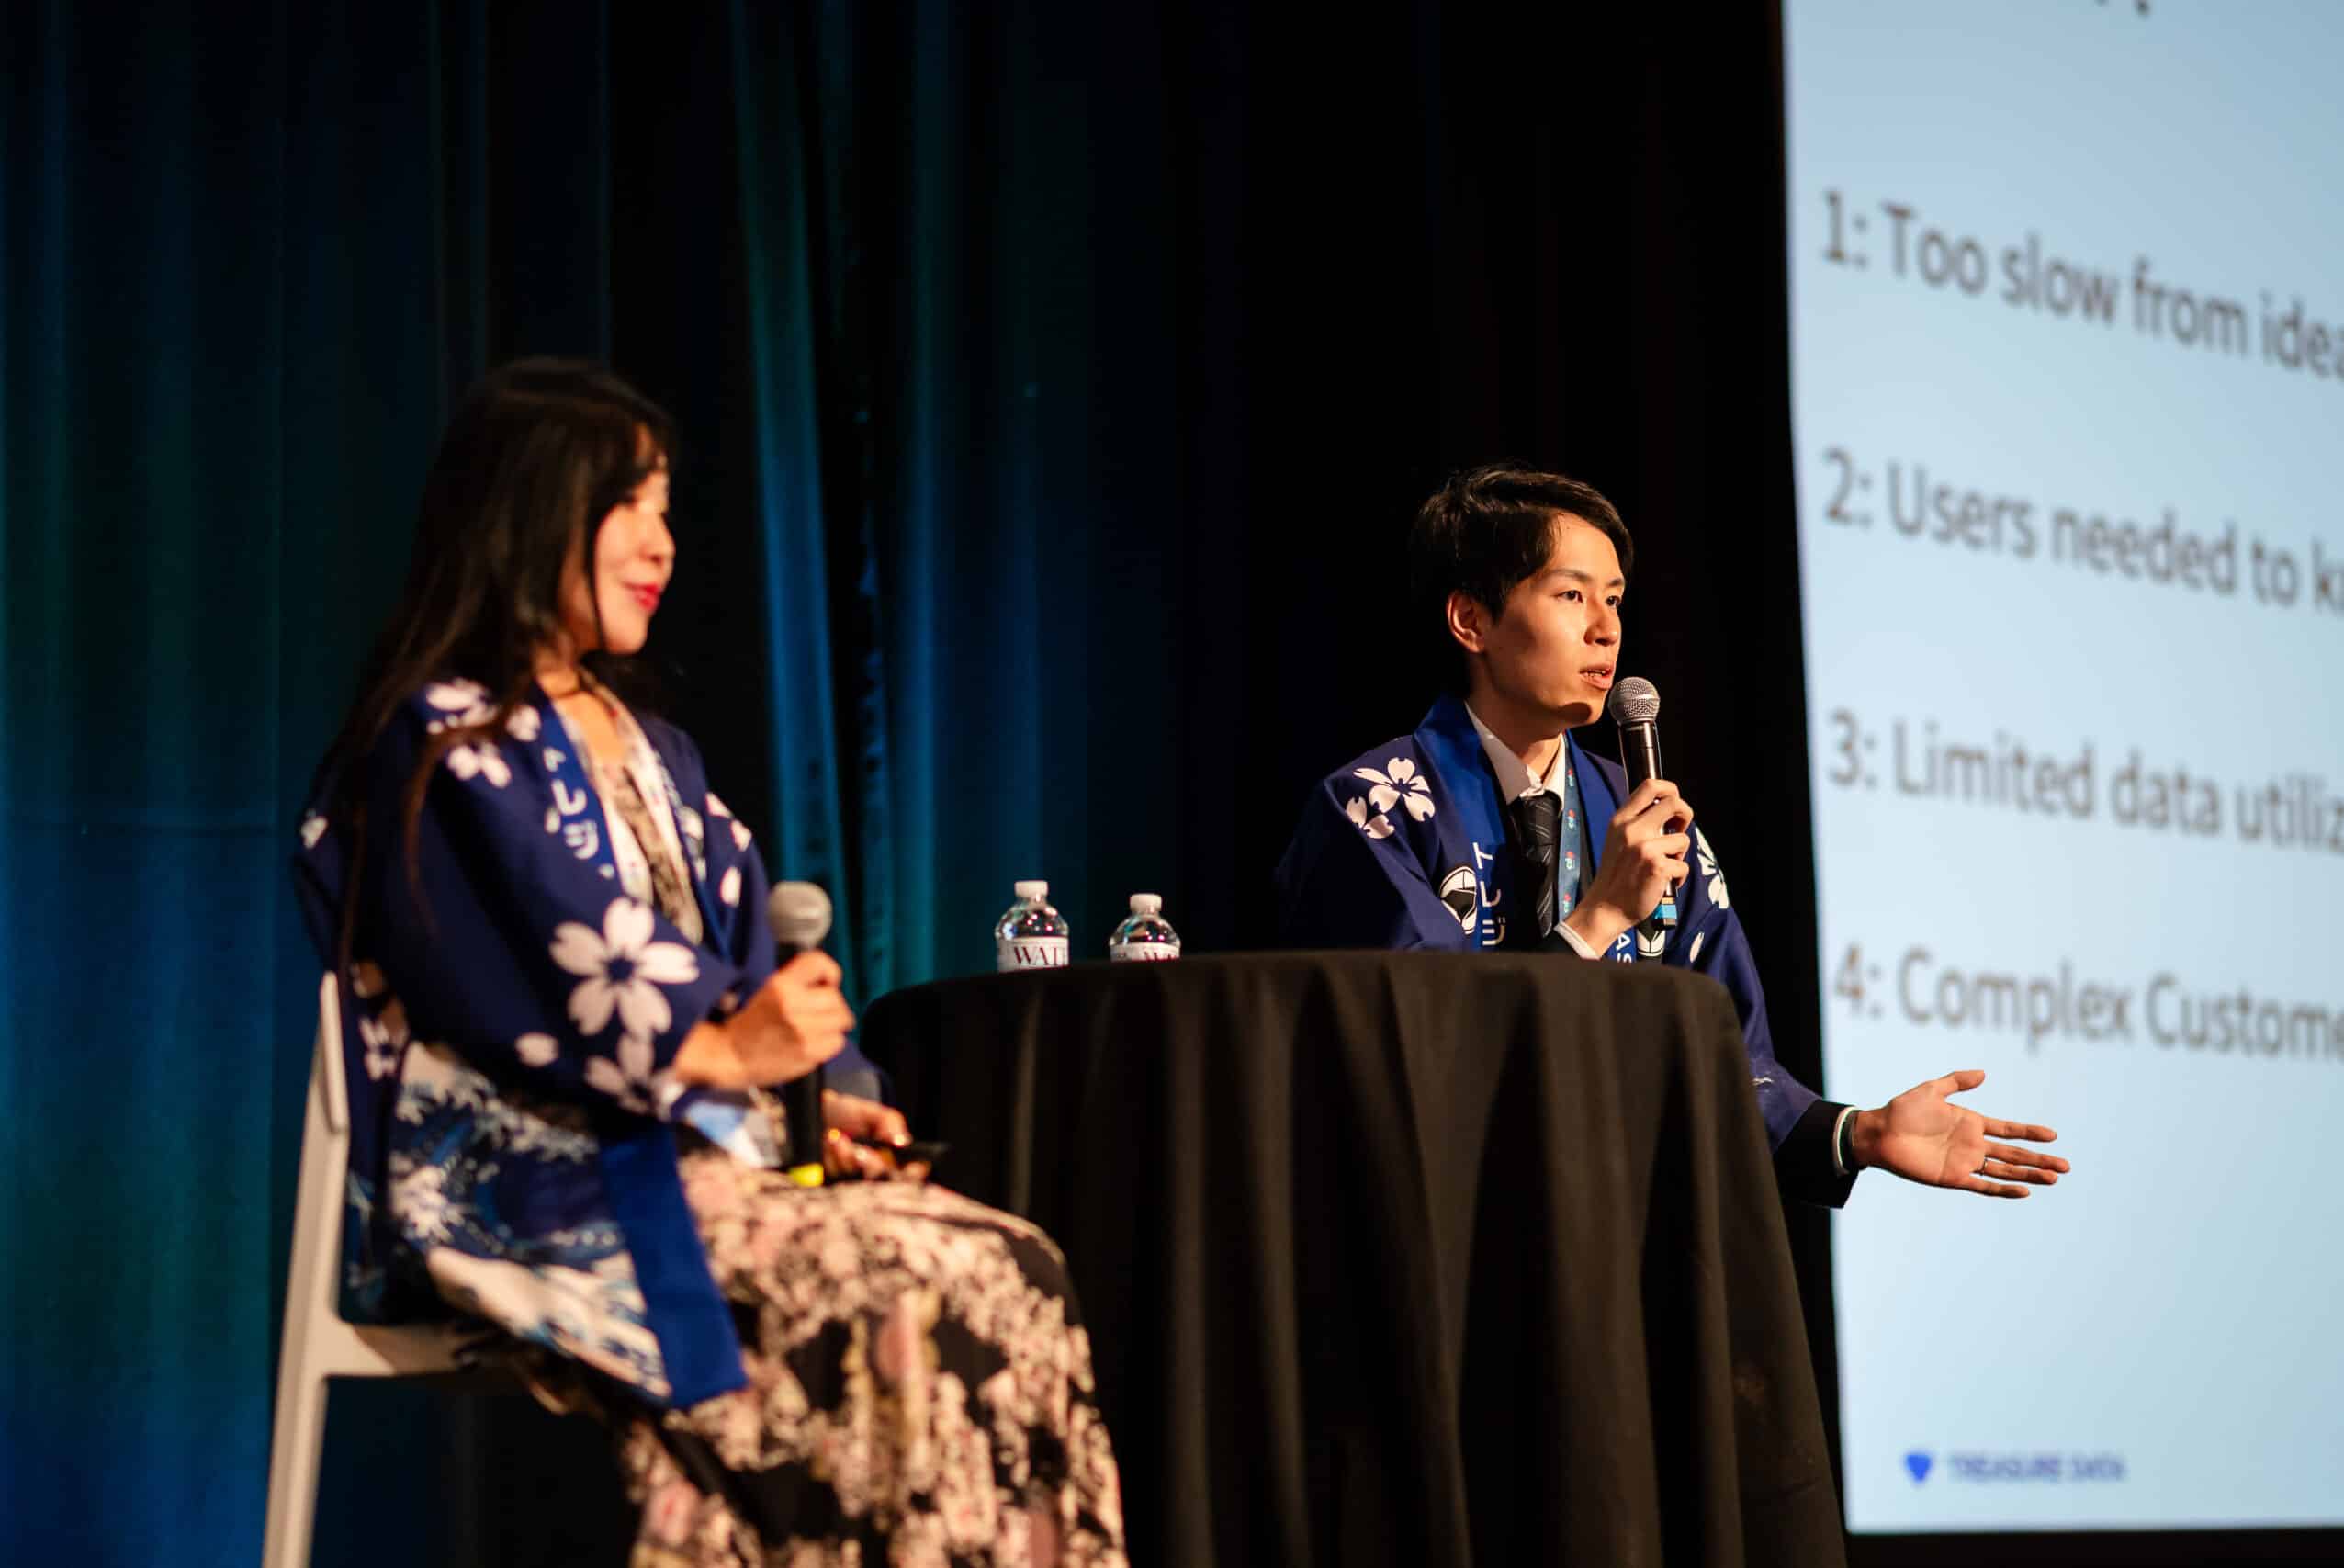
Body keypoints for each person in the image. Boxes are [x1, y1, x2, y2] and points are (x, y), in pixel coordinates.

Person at [291, 360, 1125, 1565]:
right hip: (533, 1176)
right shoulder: (444, 742)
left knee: (1016, 1262)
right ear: (532, 512)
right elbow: (533, 975)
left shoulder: (660, 754)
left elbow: (738, 975)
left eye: (667, 510)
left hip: (706, 1156)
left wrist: (812, 1098)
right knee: (893, 1277)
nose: (661, 543)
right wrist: (729, 1053)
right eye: (629, 505)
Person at [1273, 463, 2068, 1206]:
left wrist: (1854, 1133)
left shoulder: (1645, 819)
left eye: (1615, 600)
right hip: (1444, 1240)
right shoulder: (1377, 808)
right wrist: (1598, 920)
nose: (1605, 630)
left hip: (1617, 1237)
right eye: (1571, 595)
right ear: (1470, 619)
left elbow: (1730, 1061)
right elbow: (1416, 1054)